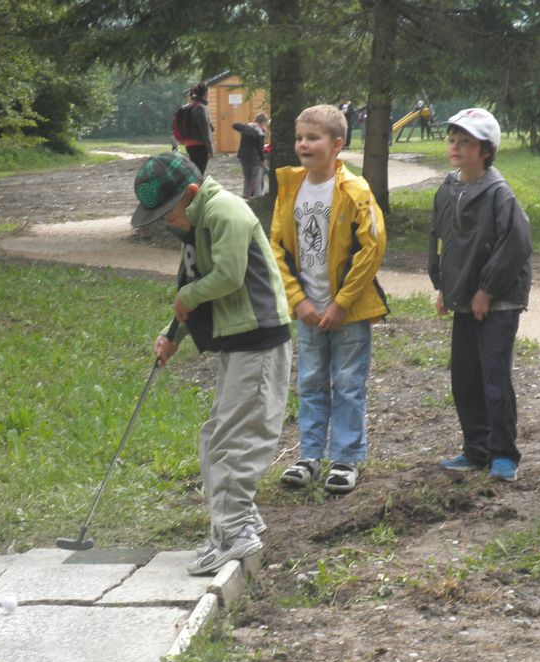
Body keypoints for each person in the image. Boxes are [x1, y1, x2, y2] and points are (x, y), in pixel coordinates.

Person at [130, 153, 292, 574]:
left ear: (191, 193)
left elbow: (228, 276)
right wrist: (173, 335)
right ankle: (238, 519)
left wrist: (188, 298)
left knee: (237, 437)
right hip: (238, 343)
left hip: (259, 339)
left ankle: (235, 532)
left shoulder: (226, 212)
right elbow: (191, 293)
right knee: (216, 436)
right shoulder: (195, 224)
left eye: (168, 212)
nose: (166, 222)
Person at [270, 104, 388, 494]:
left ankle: (346, 458)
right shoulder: (290, 188)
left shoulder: (355, 191)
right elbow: (277, 248)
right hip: (308, 312)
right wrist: (297, 300)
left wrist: (342, 303)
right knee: (311, 381)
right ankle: (309, 455)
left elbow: (371, 249)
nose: (304, 144)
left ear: (337, 145)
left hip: (347, 313)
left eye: (313, 137)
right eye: (300, 137)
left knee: (349, 383)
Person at [428, 108, 532, 482]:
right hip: (463, 299)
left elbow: (516, 245)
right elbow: (440, 239)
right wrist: (443, 285)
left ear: (486, 150)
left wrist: (487, 290)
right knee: (465, 376)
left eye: (466, 141)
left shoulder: (499, 195)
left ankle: (504, 453)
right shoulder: (448, 189)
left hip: (498, 300)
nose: (456, 146)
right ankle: (476, 448)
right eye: (453, 139)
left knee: (493, 375)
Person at [178, 82, 215, 173]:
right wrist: (210, 149)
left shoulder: (191, 106)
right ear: (205, 93)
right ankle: (195, 187)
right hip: (200, 145)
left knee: (194, 171)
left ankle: (193, 186)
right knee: (199, 173)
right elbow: (205, 130)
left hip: (190, 144)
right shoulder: (201, 108)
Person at [232, 113, 268, 198]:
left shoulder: (246, 128)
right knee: (257, 179)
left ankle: (245, 196)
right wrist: (263, 160)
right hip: (254, 159)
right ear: (262, 122)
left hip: (243, 157)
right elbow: (260, 148)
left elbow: (235, 125)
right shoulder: (260, 133)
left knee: (247, 178)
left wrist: (244, 128)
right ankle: (258, 197)